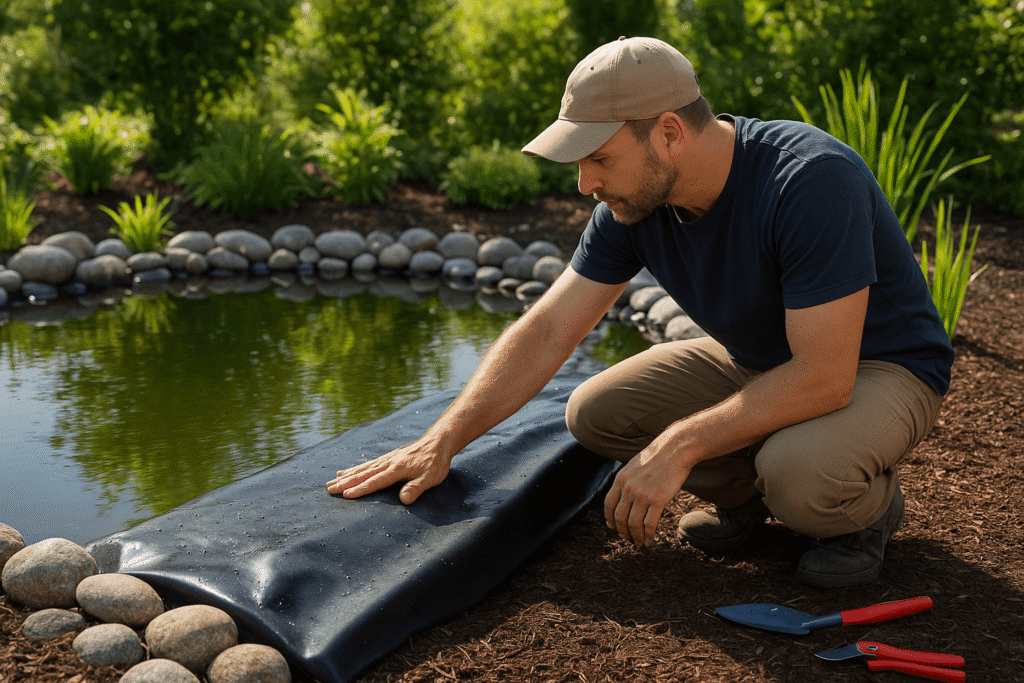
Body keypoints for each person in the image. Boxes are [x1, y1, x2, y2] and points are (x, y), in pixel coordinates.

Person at [327, 36, 953, 589]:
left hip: (876, 367)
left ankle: (860, 514)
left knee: (802, 475)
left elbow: (824, 374)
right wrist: (443, 441)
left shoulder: (809, 180)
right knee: (596, 413)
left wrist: (680, 444)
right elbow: (550, 328)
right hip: (762, 361)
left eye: (597, 158)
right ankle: (750, 499)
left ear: (670, 133)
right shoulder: (634, 204)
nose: (584, 183)